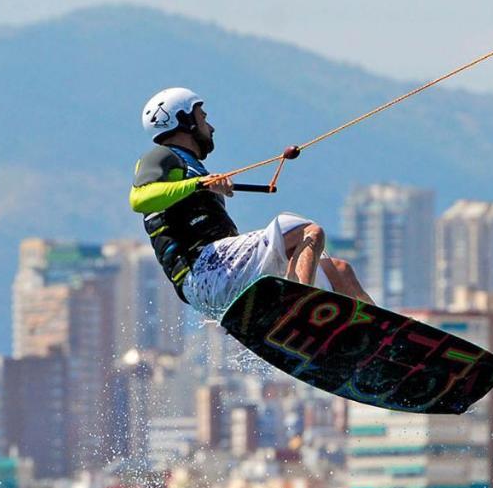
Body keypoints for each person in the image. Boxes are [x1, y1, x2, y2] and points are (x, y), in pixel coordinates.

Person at [129, 87, 372, 319]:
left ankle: (394, 340)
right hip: (202, 274)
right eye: (203, 118)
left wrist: (203, 183)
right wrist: (199, 184)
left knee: (339, 272)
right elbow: (139, 199)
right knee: (308, 231)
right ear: (184, 120)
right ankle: (300, 311)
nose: (211, 127)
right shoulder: (162, 156)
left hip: (226, 275)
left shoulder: (194, 168)